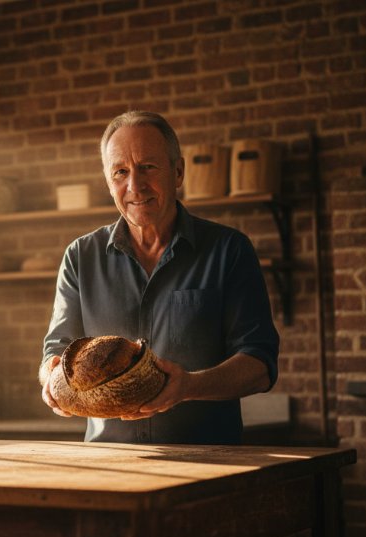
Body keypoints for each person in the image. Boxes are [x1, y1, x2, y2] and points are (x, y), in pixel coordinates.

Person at [38, 111, 280, 445]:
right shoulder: (80, 257)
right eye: (120, 172)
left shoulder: (229, 250)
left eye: (148, 167)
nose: (134, 186)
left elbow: (260, 365)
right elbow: (55, 351)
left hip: (208, 463)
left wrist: (190, 387)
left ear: (177, 171)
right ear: (109, 182)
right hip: (109, 463)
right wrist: (50, 380)